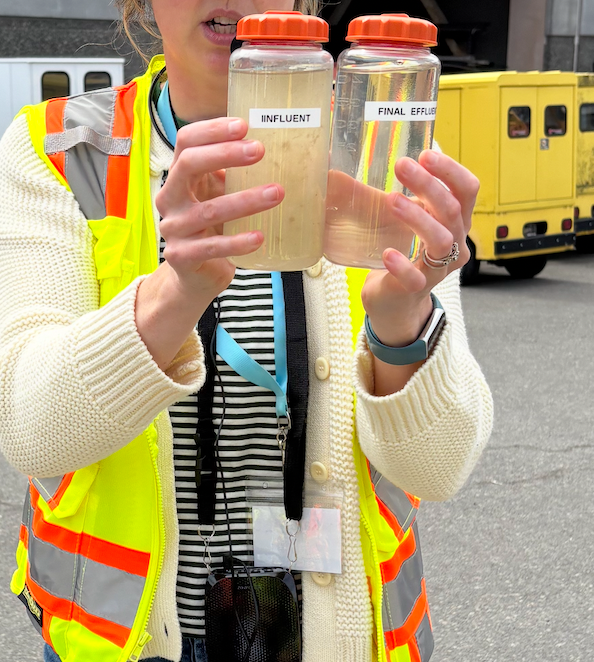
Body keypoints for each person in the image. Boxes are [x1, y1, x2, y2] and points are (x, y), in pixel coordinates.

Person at [0, 1, 493, 662]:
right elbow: (29, 430)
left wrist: (402, 324)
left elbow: (440, 468)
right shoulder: (64, 150)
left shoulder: (381, 145)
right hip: (131, 641)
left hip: (331, 639)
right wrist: (175, 293)